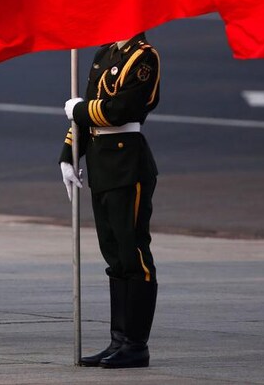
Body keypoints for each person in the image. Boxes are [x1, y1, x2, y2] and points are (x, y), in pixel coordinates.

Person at [59, 32, 161, 368]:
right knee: (115, 255)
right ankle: (118, 340)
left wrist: (81, 109)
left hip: (127, 163)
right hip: (102, 163)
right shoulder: (105, 54)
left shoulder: (143, 57)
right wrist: (68, 154)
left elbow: (120, 110)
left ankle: (136, 344)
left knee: (132, 252)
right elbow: (86, 112)